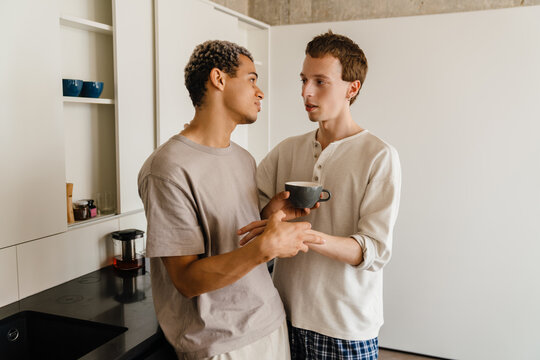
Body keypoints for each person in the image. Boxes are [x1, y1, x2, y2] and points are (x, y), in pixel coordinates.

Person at [138, 40, 323, 360]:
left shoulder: (243, 159)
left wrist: (269, 217)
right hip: (220, 344)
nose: (260, 91)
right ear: (219, 79)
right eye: (251, 79)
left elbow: (234, 239)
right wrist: (267, 247)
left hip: (270, 322)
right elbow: (186, 280)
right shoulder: (167, 169)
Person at [244, 31, 402, 359]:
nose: (306, 92)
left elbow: (373, 250)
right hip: (282, 317)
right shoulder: (285, 150)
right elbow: (249, 217)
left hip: (345, 328)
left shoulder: (379, 156)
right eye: (304, 80)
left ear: (352, 87)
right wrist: (272, 213)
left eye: (320, 81)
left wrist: (308, 237)